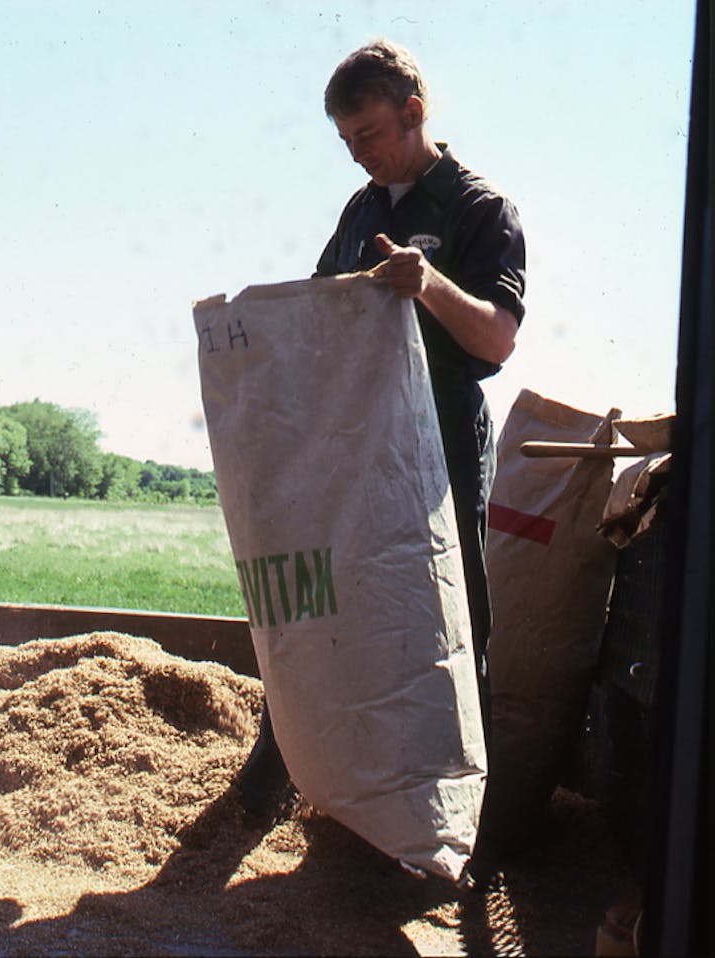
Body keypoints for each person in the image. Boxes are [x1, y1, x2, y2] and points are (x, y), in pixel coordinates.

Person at [236, 40, 526, 884]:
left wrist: (427, 282)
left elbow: (498, 340)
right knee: (326, 600)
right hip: (355, 446)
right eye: (347, 141)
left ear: (413, 112)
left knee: (448, 613)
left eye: (369, 133)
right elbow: (324, 312)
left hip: (439, 442)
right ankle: (287, 767)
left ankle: (455, 820)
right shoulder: (361, 210)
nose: (360, 153)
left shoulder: (481, 209)